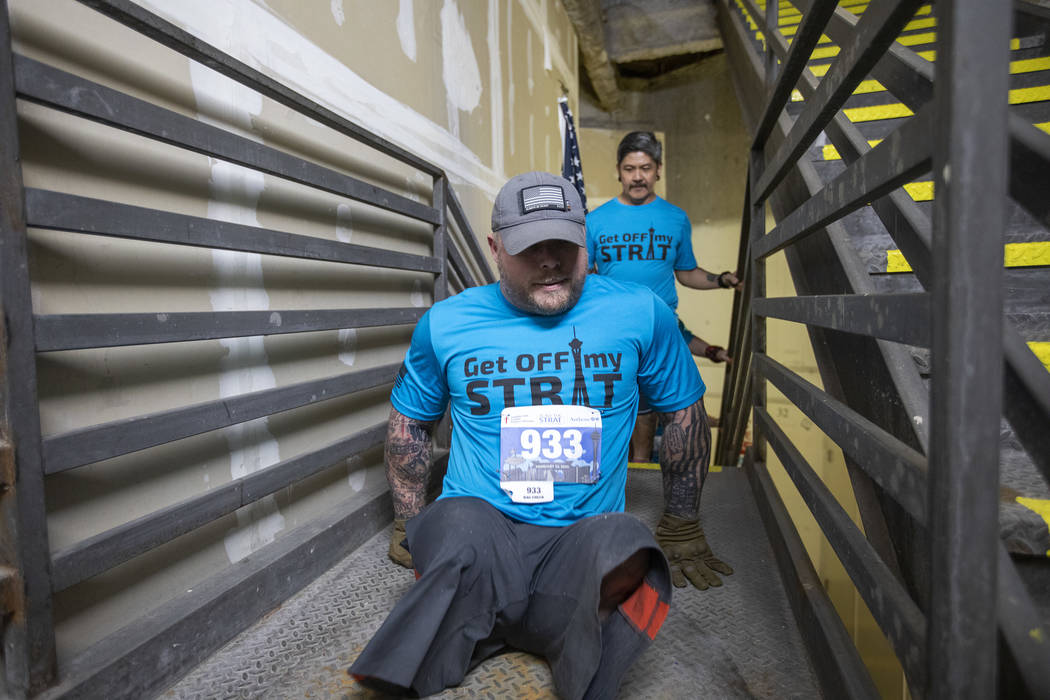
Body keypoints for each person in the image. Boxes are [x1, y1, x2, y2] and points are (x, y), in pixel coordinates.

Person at [349, 172, 731, 699]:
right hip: (483, 526)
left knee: (625, 542)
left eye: (564, 244)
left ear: (586, 241)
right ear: (495, 249)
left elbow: (683, 411)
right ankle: (448, 640)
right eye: (531, 248)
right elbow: (410, 421)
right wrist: (408, 521)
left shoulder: (640, 312)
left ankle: (565, 642)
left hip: (582, 534)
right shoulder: (447, 323)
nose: (550, 259)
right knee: (454, 525)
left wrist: (682, 522)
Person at [586, 130, 740, 464]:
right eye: (629, 169)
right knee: (613, 403)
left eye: (645, 168)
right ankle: (614, 471)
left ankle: (642, 468)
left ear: (658, 169)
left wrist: (722, 280)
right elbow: (584, 277)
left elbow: (687, 273)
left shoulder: (675, 218)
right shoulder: (595, 220)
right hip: (613, 329)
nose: (637, 177)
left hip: (661, 327)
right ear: (618, 171)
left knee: (663, 407)